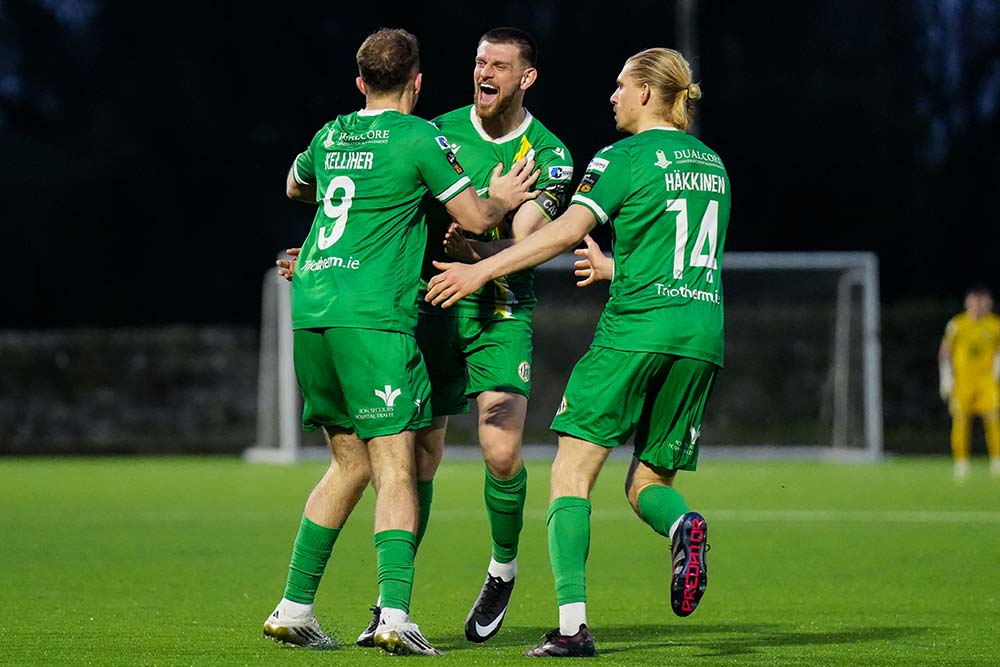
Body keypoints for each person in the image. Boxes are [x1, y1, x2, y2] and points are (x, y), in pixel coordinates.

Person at [426, 47, 728, 657]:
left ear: (647, 93)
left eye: (621, 86)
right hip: (702, 336)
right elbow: (684, 257)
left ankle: (571, 628)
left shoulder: (621, 157)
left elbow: (561, 233)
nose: (612, 97)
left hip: (635, 332)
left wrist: (480, 270)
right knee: (647, 481)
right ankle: (681, 523)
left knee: (570, 471)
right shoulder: (713, 165)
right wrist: (617, 267)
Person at [279, 27, 572, 646]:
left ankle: (501, 568)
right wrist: (486, 204)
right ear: (417, 81)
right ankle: (386, 612)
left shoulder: (550, 152)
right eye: (478, 61)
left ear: (527, 77)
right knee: (411, 460)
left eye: (499, 64)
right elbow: (400, 208)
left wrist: (330, 257)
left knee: (497, 452)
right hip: (424, 309)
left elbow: (523, 236)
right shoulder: (430, 132)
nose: (484, 72)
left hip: (495, 308)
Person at [938, 285, 1000, 479]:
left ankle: (997, 460)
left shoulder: (995, 325)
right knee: (960, 420)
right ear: (968, 302)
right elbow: (945, 351)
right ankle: (961, 462)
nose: (979, 305)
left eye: (983, 301)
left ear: (989, 303)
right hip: (963, 381)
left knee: (993, 418)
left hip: (987, 380)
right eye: (975, 301)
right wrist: (945, 376)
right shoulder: (957, 324)